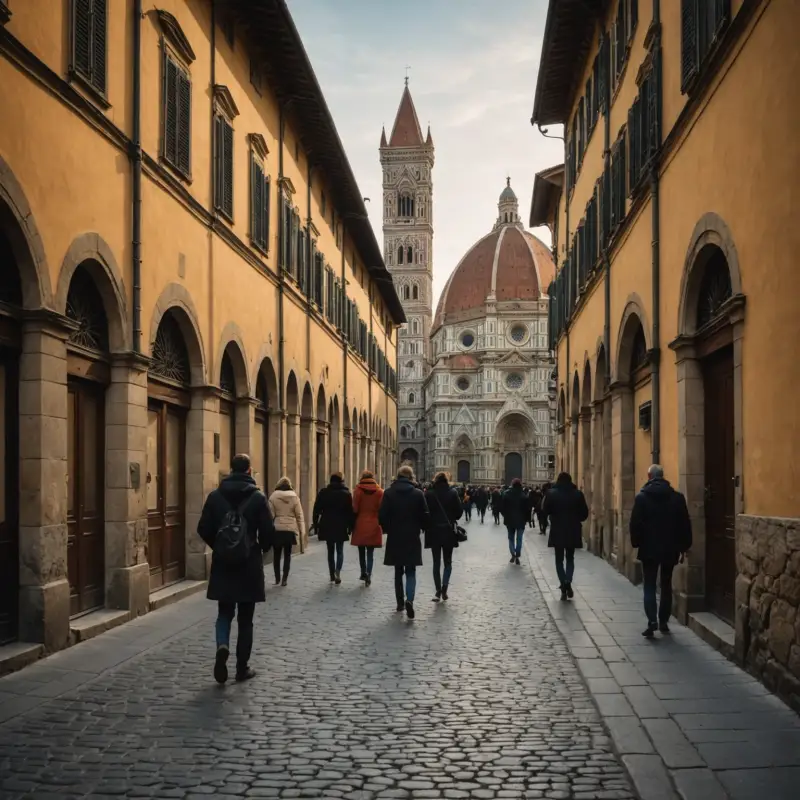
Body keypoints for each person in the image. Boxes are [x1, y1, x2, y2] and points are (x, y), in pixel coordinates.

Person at [197, 453, 274, 684]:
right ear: (249, 471)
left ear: (231, 470)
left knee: (224, 612)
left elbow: (203, 528)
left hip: (224, 564)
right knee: (246, 619)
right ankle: (242, 668)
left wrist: (220, 546)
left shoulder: (215, 496)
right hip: (249, 564)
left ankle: (222, 645)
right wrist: (258, 547)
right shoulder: (258, 498)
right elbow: (269, 533)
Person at [629, 464, 693, 638]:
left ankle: (652, 621)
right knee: (666, 584)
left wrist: (636, 543)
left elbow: (635, 524)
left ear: (649, 476)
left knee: (649, 584)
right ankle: (664, 621)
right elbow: (685, 524)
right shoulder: (677, 498)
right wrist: (685, 546)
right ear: (663, 477)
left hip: (648, 549)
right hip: (670, 548)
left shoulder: (641, 498)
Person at [379, 464, 430, 619]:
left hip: (395, 536)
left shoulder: (388, 493)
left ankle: (400, 603)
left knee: (398, 570)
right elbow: (425, 516)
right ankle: (410, 599)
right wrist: (421, 528)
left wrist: (389, 529)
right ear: (411, 477)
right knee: (411, 570)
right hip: (412, 536)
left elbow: (382, 516)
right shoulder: (418, 494)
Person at [543, 472, 589, 600]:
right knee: (570, 558)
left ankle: (563, 582)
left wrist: (553, 517)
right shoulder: (578, 494)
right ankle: (568, 581)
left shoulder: (551, 493)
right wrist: (575, 519)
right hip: (573, 530)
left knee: (558, 559)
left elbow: (545, 510)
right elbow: (584, 514)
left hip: (557, 529)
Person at [424, 472, 463, 601]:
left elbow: (425, 512)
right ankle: (445, 588)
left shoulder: (429, 494)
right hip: (448, 531)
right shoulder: (453, 493)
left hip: (434, 531)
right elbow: (459, 513)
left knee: (436, 562)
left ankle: (437, 591)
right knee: (447, 562)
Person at [313, 472, 354, 585]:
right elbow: (350, 512)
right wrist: (351, 527)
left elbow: (316, 509)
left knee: (330, 551)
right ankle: (337, 572)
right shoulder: (346, 494)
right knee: (340, 550)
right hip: (341, 524)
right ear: (341, 481)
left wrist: (316, 524)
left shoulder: (323, 493)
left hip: (327, 523)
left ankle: (331, 574)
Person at [268, 476, 304, 587]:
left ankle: (277, 578)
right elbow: (299, 515)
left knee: (277, 555)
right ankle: (285, 579)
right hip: (290, 530)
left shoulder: (273, 497)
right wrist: (301, 531)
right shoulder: (294, 497)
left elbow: (270, 515)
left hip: (277, 529)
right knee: (287, 555)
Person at [351, 470, 384, 587]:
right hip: (374, 522)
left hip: (361, 522)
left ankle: (363, 572)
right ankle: (369, 573)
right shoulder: (380, 492)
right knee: (370, 551)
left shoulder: (358, 490)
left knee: (361, 550)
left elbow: (354, 508)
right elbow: (382, 509)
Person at [501, 478, 529, 565]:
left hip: (509, 520)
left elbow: (502, 508)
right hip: (521, 520)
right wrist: (527, 519)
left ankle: (513, 553)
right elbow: (527, 509)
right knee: (519, 538)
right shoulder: (524, 495)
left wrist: (505, 515)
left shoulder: (506, 494)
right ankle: (517, 554)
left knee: (511, 537)